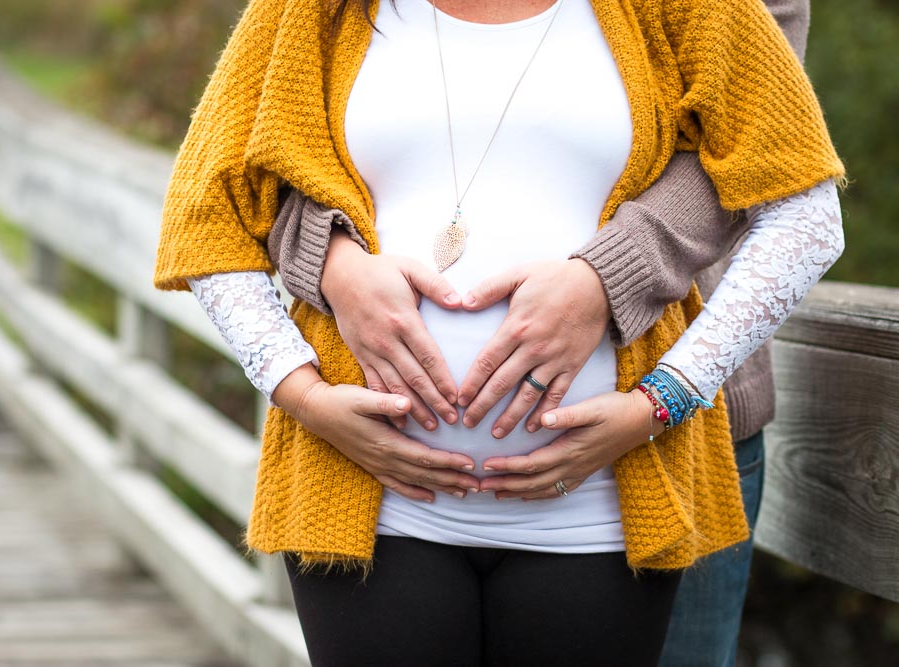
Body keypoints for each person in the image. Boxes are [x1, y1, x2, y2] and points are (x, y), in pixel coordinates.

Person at [153, 0, 843, 664]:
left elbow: (804, 214)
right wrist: (300, 390)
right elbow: (206, 210)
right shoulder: (315, 9)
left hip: (597, 507)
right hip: (368, 494)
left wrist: (661, 399)